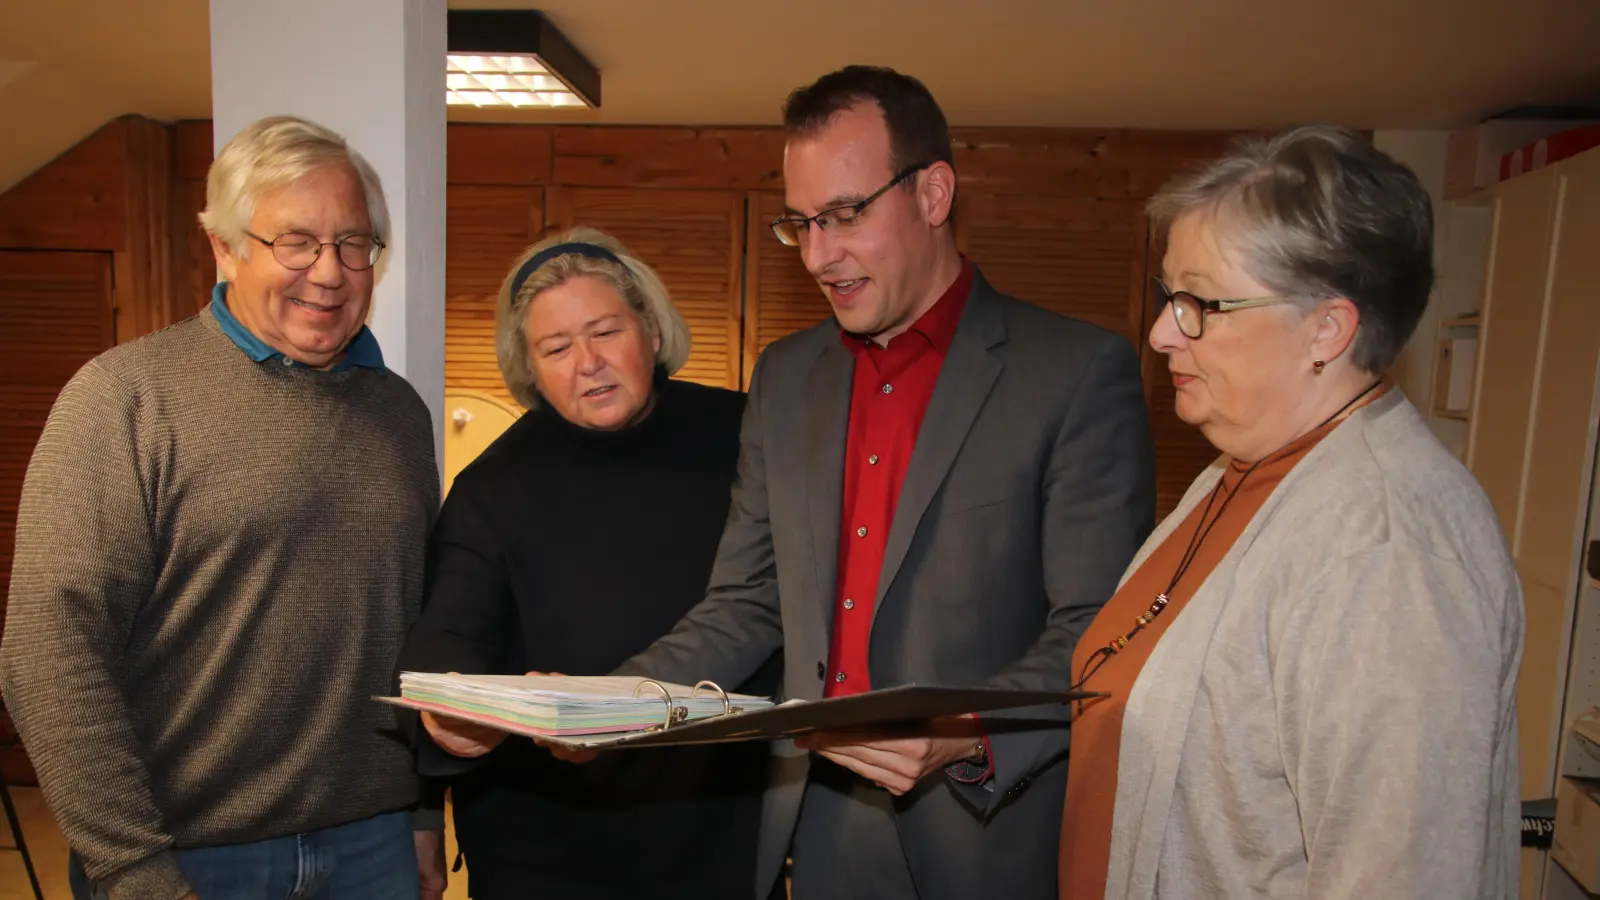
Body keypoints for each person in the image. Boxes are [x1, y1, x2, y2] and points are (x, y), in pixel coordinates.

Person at [589, 66, 1156, 900]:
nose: (820, 255)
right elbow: (745, 601)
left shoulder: (1076, 374)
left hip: (988, 834)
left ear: (933, 193)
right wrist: (607, 704)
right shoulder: (785, 378)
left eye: (847, 215)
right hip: (813, 830)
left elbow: (1099, 632)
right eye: (801, 223)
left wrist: (962, 731)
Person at [1058, 125, 1523, 900]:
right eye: (1168, 296)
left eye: (1199, 302)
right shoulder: (1238, 470)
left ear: (1326, 329)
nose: (1162, 331)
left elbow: (1402, 873)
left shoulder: (1385, 543)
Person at [0, 115, 444, 900]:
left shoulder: (399, 414)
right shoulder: (124, 398)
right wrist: (134, 870)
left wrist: (419, 811)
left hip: (372, 841)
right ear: (224, 246)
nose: (330, 271)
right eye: (296, 242)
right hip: (189, 853)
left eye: (353, 244)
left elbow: (412, 628)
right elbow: (47, 651)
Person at [395, 227, 779, 899]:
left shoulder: (745, 434)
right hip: (547, 852)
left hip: (722, 834)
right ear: (531, 370)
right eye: (556, 348)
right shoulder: (494, 486)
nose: (587, 363)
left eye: (604, 332)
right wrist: (451, 723)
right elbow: (446, 641)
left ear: (652, 332)